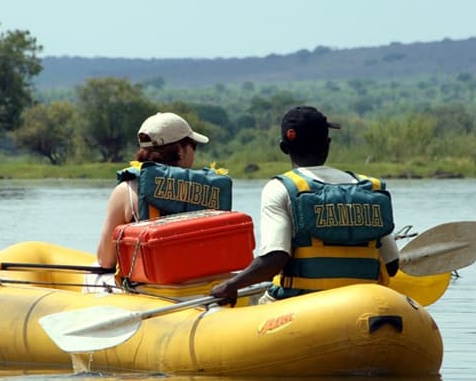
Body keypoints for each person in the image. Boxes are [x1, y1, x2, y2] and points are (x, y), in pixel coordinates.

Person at [211, 106, 399, 304]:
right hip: (364, 302)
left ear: (284, 147)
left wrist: (230, 286)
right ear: (327, 144)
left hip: (301, 306)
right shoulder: (370, 189)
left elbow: (274, 260)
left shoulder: (280, 188)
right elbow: (392, 265)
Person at [96, 112, 232, 270]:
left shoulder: (126, 190)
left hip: (154, 285)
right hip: (208, 282)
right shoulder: (211, 186)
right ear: (181, 150)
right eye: (193, 146)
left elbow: (106, 260)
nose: (194, 152)